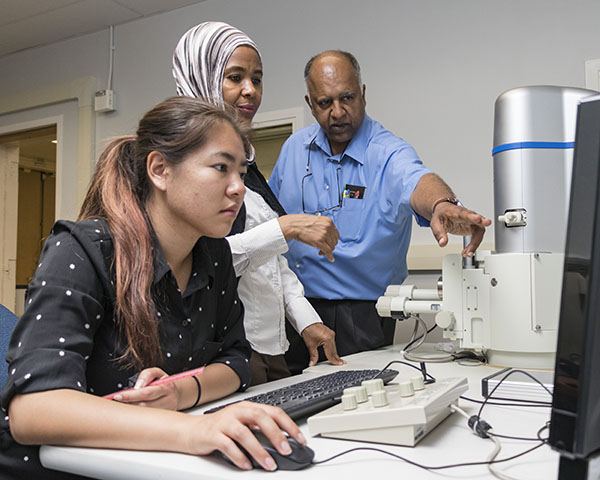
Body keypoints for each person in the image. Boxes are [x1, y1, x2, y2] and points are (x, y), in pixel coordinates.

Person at [0, 97, 307, 478]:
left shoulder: (215, 256)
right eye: (221, 168)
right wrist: (193, 428)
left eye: (242, 173)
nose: (238, 188)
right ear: (160, 170)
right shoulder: (82, 249)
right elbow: (33, 411)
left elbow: (236, 361)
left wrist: (180, 393)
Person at [269, 50, 492, 374]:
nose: (337, 112)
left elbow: (417, 179)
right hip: (292, 310)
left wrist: (443, 204)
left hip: (360, 317)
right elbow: (268, 217)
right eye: (324, 102)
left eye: (347, 97)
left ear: (362, 93)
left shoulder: (387, 151)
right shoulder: (293, 150)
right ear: (309, 103)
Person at [172, 22, 344, 384]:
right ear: (201, 77)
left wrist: (307, 321)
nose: (250, 91)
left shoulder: (246, 164)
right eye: (234, 78)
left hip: (270, 345)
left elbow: (272, 263)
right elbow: (195, 263)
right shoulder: (181, 166)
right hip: (223, 349)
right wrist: (287, 227)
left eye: (257, 79)